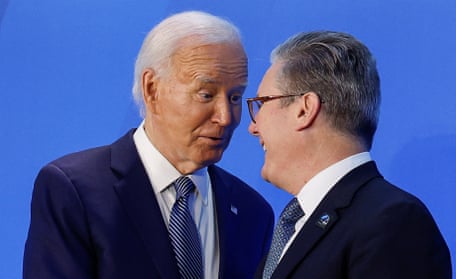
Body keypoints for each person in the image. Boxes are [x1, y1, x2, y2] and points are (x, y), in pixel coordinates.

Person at [23, 11, 274, 279]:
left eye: (235, 97)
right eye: (206, 94)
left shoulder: (253, 213)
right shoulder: (74, 191)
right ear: (152, 88)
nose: (225, 117)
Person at [248, 31, 452, 279]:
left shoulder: (393, 221)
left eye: (261, 103)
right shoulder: (296, 225)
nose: (253, 126)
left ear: (304, 109)